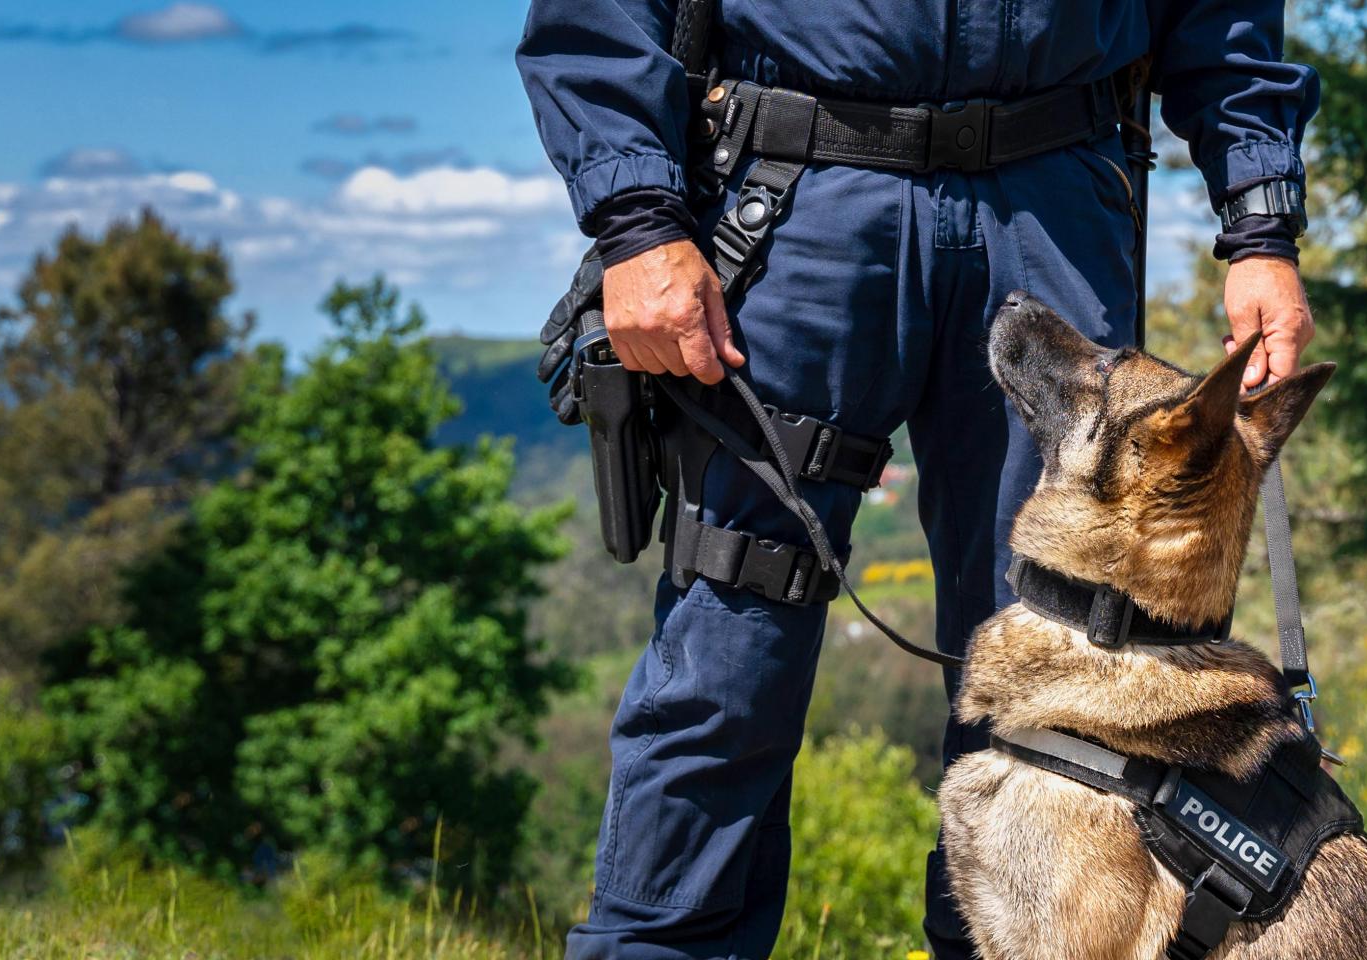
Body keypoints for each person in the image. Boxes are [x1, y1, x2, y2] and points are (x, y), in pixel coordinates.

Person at [516, 2, 1318, 957]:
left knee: (1067, 679)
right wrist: (638, 222)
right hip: (800, 189)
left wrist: (1260, 219)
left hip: (1055, 188)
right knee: (728, 661)